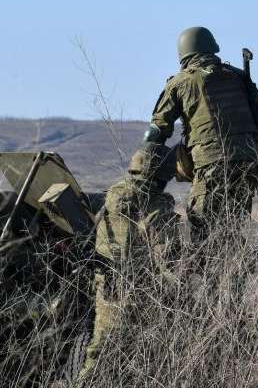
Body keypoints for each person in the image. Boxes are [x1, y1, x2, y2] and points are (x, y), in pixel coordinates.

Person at [146, 26, 258, 268]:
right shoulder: (238, 76)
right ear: (211, 48)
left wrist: (143, 169)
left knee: (202, 230)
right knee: (232, 229)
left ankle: (209, 294)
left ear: (184, 55)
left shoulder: (181, 82)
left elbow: (157, 130)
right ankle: (232, 290)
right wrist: (252, 153)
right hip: (248, 165)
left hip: (211, 165)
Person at [81, 143, 181, 379]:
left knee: (100, 352)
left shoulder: (113, 196)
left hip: (106, 288)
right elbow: (167, 259)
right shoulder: (155, 205)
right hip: (138, 294)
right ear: (162, 173)